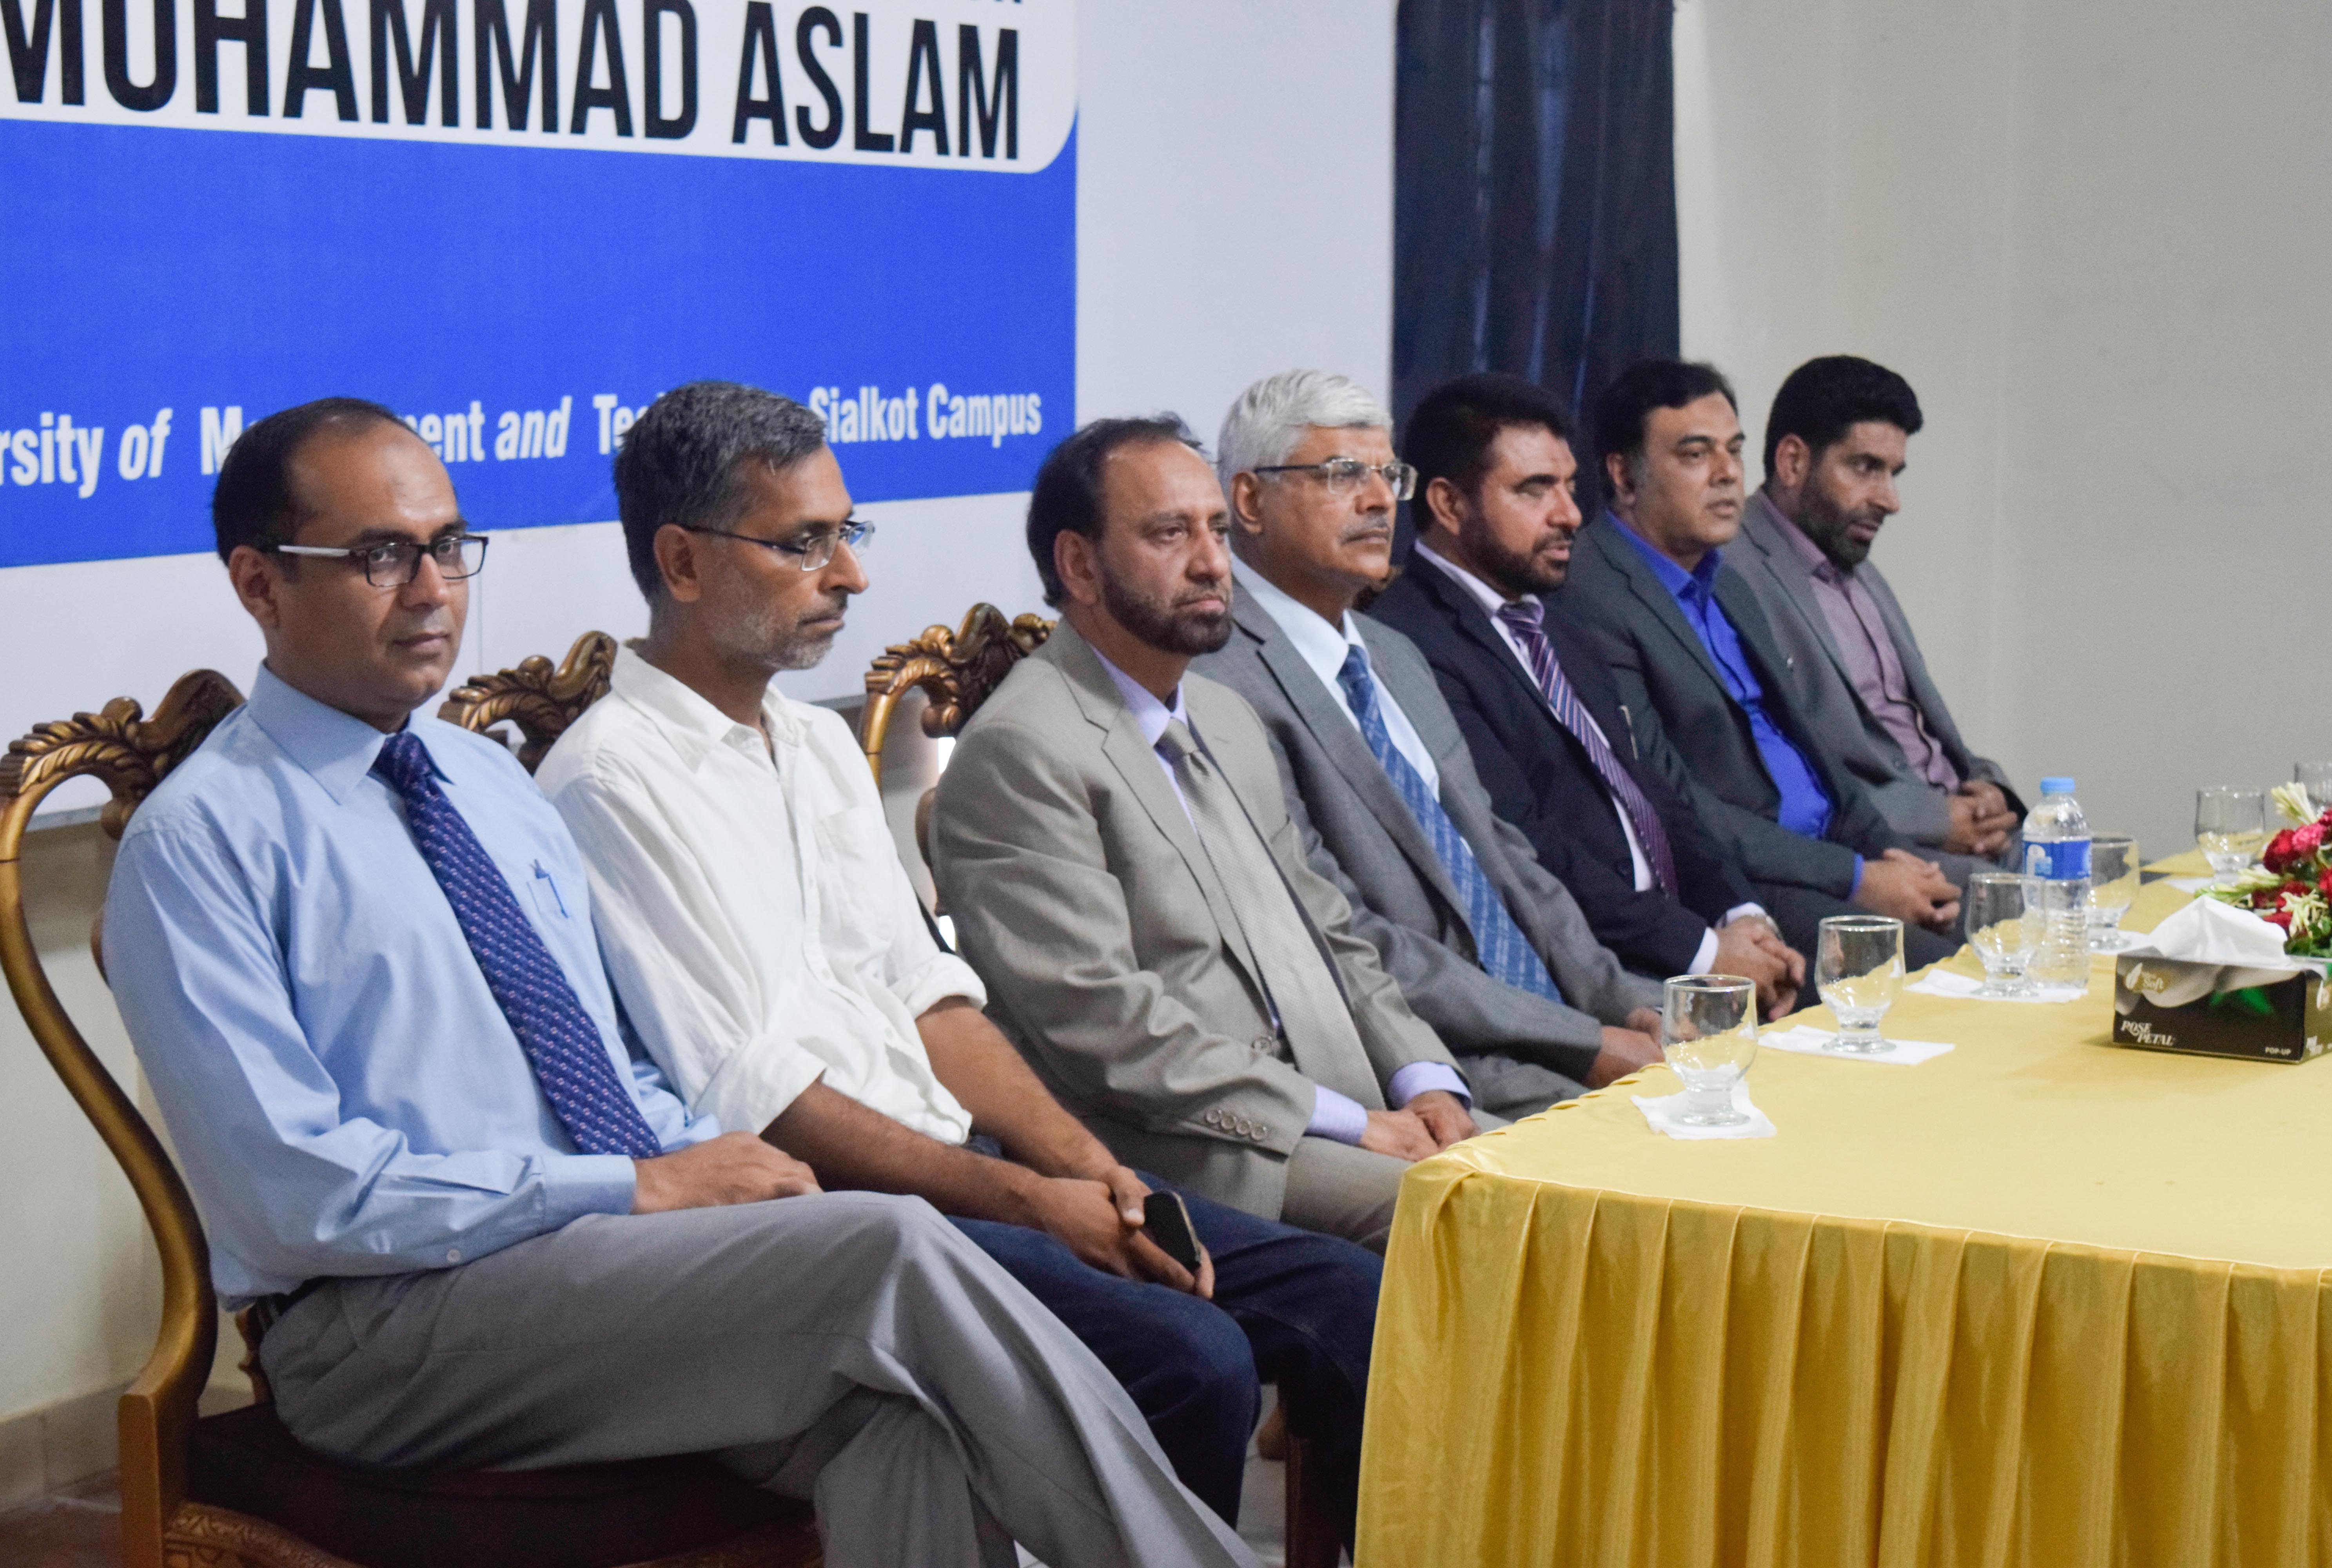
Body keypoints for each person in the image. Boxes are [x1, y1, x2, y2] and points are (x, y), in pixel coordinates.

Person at [100, 397, 1259, 1568]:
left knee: (904, 1419)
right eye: (380, 556)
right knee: (885, 1245)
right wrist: (632, 1186)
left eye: (449, 546)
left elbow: (608, 1066)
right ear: (259, 582)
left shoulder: (485, 784)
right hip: (384, 1326)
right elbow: (299, 1196)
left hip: (598, 1267)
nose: (434, 590)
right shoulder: (201, 842)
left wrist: (716, 1167)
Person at [537, 381, 1382, 1530]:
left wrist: (1090, 1171)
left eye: (847, 532)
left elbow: (934, 1001)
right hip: (837, 1215)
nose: (850, 574)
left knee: (1341, 1294)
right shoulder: (608, 781)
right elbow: (761, 1100)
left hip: (963, 1160)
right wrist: (1031, 1201)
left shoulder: (812, 742)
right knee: (1193, 1356)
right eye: (804, 543)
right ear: (682, 562)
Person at [931, 416, 1493, 1255]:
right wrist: (1349, 1121)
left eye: (1218, 532)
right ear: (1079, 565)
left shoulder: (1227, 717)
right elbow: (1105, 1026)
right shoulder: (1022, 749)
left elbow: (1331, 931)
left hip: (1351, 1105)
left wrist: (1426, 1079)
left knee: (1577, 1183)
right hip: (1205, 1150)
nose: (1211, 563)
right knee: (1488, 1216)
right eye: (1170, 534)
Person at [1187, 369, 1690, 1088]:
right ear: (1248, 500)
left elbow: (1507, 857)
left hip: (1556, 1020)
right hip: (1429, 1057)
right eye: (1342, 474)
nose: (1377, 501)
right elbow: (1342, 932)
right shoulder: (1216, 681)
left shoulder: (1393, 654)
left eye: (1387, 475)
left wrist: (1623, 1004)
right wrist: (1584, 1042)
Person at [1368, 371, 1807, 1016]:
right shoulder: (1408, 644)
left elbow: (1652, 792)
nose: (1570, 515)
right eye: (1534, 490)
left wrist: (1740, 916)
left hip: (1678, 938)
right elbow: (1525, 847)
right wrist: (1705, 953)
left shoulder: (1558, 622)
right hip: (1586, 971)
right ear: (1449, 505)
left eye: (1570, 487)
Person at [1557, 360, 1962, 963]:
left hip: (1835, 856)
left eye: (1734, 450)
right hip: (1743, 884)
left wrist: (1892, 857)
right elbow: (1672, 802)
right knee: (1937, 975)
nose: (1727, 474)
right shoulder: (1589, 593)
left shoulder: (1729, 584)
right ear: (1623, 474)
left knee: (2004, 930)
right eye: (1696, 455)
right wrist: (1857, 877)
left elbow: (1818, 756)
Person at [1724, 356, 2020, 869]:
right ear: (1793, 462)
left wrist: (1991, 792)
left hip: (1971, 827)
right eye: (1866, 468)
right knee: (2073, 906)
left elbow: (1919, 729)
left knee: (2130, 878)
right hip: (1886, 849)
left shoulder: (1855, 565)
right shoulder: (1732, 572)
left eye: (1893, 474)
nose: (1890, 500)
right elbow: (1774, 773)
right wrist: (1937, 820)